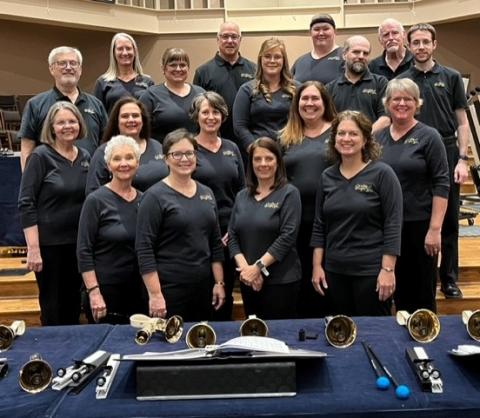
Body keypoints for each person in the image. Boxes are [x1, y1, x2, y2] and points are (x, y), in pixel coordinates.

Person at [399, 23, 469, 298]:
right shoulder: (404, 79)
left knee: (449, 219)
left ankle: (449, 278)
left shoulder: (450, 77)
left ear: (434, 44)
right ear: (409, 46)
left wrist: (462, 159)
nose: (421, 47)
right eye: (415, 42)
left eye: (426, 42)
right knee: (416, 218)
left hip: (447, 149)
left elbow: (462, 122)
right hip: (414, 150)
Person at [311, 111, 403, 317]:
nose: (346, 139)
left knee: (374, 337)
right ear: (333, 139)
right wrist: (317, 266)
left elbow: (393, 225)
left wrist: (388, 270)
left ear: (365, 140)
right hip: (334, 272)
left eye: (353, 134)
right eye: (341, 133)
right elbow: (319, 225)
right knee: (340, 337)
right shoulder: (327, 176)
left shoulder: (383, 174)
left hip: (371, 272)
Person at [136, 129, 225, 322]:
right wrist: (155, 294)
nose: (184, 159)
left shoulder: (207, 193)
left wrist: (219, 282)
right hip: (169, 290)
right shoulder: (154, 197)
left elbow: (215, 243)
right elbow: (144, 248)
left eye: (189, 153)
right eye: (177, 154)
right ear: (166, 159)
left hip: (203, 288)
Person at [377, 78, 449, 313]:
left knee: (418, 297)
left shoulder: (430, 137)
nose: (401, 103)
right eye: (396, 99)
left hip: (419, 228)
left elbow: (441, 183)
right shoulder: (378, 138)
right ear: (387, 103)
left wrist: (435, 229)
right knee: (384, 294)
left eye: (407, 99)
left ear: (417, 103)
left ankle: (422, 344)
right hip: (384, 228)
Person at [18, 101, 90, 325]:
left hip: (78, 244)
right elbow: (26, 202)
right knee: (53, 307)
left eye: (72, 121)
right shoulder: (40, 157)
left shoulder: (86, 156)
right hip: (50, 247)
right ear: (51, 127)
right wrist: (33, 249)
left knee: (73, 305)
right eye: (61, 122)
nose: (67, 126)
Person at [228, 137, 302, 319]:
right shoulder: (242, 196)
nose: (263, 164)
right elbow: (232, 235)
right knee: (254, 336)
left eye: (269, 158)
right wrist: (247, 269)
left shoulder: (289, 193)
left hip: (281, 281)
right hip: (248, 280)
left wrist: (258, 267)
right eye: (257, 159)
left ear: (278, 162)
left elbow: (288, 236)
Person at [280, 81, 336, 318]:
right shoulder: (284, 136)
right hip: (296, 222)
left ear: (325, 103)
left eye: (315, 98)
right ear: (296, 104)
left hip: (330, 221)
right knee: (301, 280)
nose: (310, 103)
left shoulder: (338, 132)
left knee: (326, 281)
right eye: (304, 99)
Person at [77, 135, 147, 324]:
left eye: (129, 157)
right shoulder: (95, 201)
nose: (124, 163)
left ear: (138, 163)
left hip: (139, 289)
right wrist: (94, 292)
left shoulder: (145, 200)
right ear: (108, 165)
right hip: (106, 291)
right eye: (117, 159)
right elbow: (84, 251)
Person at [190, 92, 245, 321]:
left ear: (223, 116)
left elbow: (243, 192)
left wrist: (231, 231)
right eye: (205, 112)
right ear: (196, 116)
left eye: (215, 112)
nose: (210, 117)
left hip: (228, 231)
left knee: (226, 290)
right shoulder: (188, 148)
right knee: (203, 289)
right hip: (198, 231)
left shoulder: (232, 147)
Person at [19, 46, 107, 170]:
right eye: (62, 63)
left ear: (80, 69)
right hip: (50, 182)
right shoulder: (35, 104)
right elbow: (27, 148)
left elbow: (106, 145)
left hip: (90, 181)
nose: (68, 67)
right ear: (51, 69)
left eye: (73, 63)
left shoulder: (96, 104)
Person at [85, 97, 168, 194]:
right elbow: (93, 193)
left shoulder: (157, 145)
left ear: (143, 120)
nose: (131, 120)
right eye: (125, 116)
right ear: (117, 121)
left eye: (135, 115)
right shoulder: (104, 151)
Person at [193, 22, 256, 146]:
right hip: (215, 141)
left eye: (234, 37)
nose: (230, 40)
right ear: (218, 40)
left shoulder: (254, 70)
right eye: (225, 36)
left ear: (240, 40)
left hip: (249, 141)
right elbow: (198, 111)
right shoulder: (203, 72)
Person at [233, 37, 298, 153]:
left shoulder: (297, 89)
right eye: (267, 56)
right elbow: (240, 126)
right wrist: (256, 151)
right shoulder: (247, 90)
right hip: (259, 156)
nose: (272, 60)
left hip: (291, 153)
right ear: (260, 59)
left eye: (277, 57)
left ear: (284, 61)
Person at [139, 48, 205, 143]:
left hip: (195, 153)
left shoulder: (200, 93)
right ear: (164, 68)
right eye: (173, 65)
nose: (178, 69)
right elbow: (140, 130)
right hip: (162, 154)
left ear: (188, 68)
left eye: (182, 65)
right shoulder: (150, 96)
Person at [326, 36, 390, 132]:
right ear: (344, 55)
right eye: (356, 52)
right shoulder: (330, 88)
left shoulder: (381, 83)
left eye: (365, 53)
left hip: (372, 143)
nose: (361, 56)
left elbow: (385, 119)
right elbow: (325, 121)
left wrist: (364, 138)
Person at [93, 32, 154, 113]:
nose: (125, 53)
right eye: (120, 49)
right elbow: (98, 115)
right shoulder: (102, 82)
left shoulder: (147, 82)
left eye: (128, 48)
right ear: (113, 53)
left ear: (135, 52)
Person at [291, 14, 344, 85]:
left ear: (335, 31)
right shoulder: (300, 62)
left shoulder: (345, 57)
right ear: (310, 33)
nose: (321, 33)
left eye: (326, 29)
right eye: (316, 29)